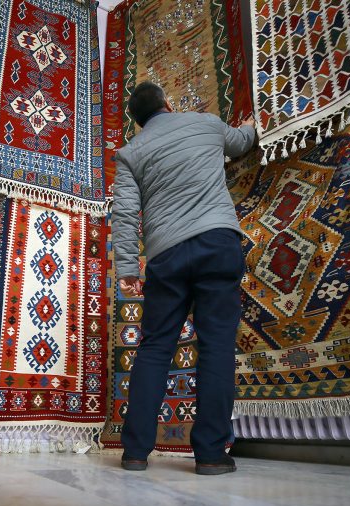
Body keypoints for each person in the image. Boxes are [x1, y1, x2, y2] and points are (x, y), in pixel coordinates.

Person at [112, 81, 256, 475]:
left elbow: (123, 215)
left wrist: (127, 268)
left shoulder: (129, 154)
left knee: (155, 348)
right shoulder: (205, 123)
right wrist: (250, 124)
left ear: (138, 122)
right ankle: (210, 455)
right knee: (216, 348)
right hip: (217, 243)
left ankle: (135, 453)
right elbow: (242, 142)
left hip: (167, 256)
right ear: (168, 104)